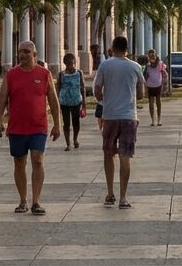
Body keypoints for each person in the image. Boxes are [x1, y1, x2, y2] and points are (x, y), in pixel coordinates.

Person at [0, 40, 61, 216]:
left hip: (38, 126)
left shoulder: (44, 74)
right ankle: (23, 200)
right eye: (20, 52)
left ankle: (36, 201)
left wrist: (57, 124)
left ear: (35, 55)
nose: (22, 55)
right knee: (19, 162)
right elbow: (2, 99)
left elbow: (53, 100)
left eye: (26, 52)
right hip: (17, 127)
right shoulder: (11, 75)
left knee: (37, 160)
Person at [95, 35, 146, 208]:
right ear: (127, 49)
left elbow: (97, 90)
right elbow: (141, 93)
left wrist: (106, 101)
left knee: (108, 154)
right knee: (125, 156)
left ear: (112, 47)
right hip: (129, 116)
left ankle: (110, 193)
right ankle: (123, 197)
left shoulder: (105, 65)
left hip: (110, 116)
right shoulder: (135, 66)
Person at [56, 52, 85, 151]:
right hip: (64, 102)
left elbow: (82, 88)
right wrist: (57, 101)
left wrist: (84, 104)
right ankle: (68, 143)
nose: (70, 66)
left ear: (75, 63)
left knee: (76, 122)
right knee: (66, 123)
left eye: (72, 64)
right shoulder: (61, 74)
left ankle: (75, 139)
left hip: (76, 101)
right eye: (68, 64)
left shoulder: (79, 73)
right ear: (65, 64)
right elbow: (58, 88)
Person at [142, 49, 168, 127]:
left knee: (158, 102)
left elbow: (164, 74)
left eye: (153, 55)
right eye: (150, 56)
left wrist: (164, 85)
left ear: (156, 55)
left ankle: (159, 120)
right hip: (150, 86)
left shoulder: (160, 63)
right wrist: (145, 87)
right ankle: (153, 120)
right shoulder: (147, 65)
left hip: (158, 85)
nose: (152, 57)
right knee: (151, 104)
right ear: (148, 57)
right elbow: (145, 76)